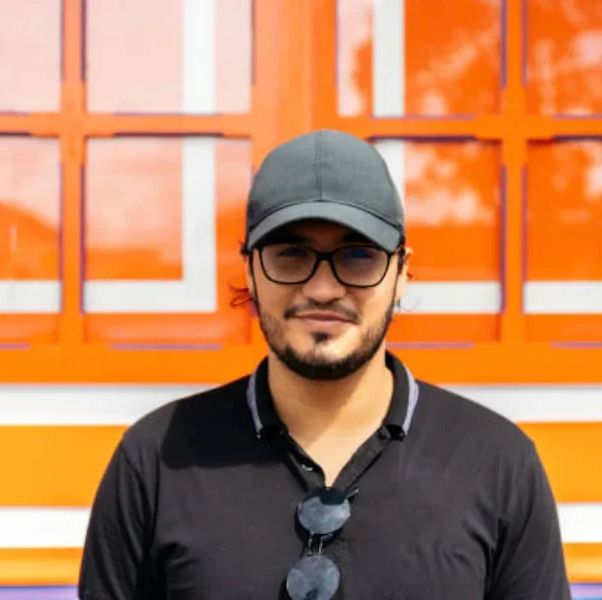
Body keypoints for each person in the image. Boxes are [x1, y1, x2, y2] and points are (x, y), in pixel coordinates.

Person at [77, 129, 572, 599]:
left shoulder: (498, 463)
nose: (322, 288)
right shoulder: (157, 459)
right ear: (249, 269)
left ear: (401, 273)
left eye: (357, 256)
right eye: (291, 255)